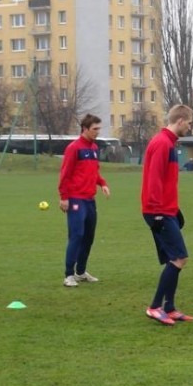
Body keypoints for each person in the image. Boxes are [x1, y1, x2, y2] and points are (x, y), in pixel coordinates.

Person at [141, 105, 193, 325]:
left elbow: (166, 182)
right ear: (180, 120)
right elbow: (154, 179)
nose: (189, 128)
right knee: (179, 258)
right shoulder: (162, 143)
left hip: (166, 209)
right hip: (158, 211)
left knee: (176, 258)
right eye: (189, 123)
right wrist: (157, 212)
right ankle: (155, 307)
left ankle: (169, 308)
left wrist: (175, 209)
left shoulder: (169, 144)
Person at [58, 114, 110, 287]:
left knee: (88, 237)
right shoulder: (74, 148)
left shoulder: (94, 148)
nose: (97, 132)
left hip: (89, 200)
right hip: (75, 199)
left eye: (98, 128)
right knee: (77, 235)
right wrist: (64, 197)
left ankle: (80, 272)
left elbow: (94, 171)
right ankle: (68, 275)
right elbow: (65, 173)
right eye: (95, 129)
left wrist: (102, 183)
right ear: (85, 129)